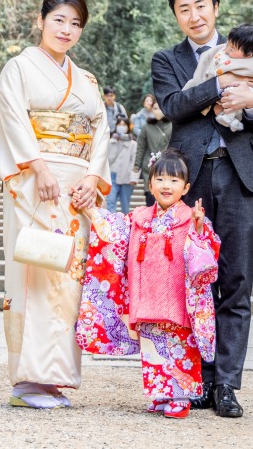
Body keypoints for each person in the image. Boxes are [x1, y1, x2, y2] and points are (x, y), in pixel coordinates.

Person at [150, 0, 253, 419]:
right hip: (190, 180)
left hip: (241, 177)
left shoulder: (247, 50)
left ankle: (226, 384)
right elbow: (174, 106)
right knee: (192, 281)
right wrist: (220, 84)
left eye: (201, 5)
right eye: (184, 9)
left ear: (216, 7)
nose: (194, 15)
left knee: (236, 281)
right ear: (177, 16)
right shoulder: (167, 60)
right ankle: (196, 379)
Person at [0, 0, 110, 410]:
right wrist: (38, 168)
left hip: (76, 192)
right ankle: (27, 381)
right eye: (58, 19)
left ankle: (55, 378)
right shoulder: (18, 69)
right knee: (35, 274)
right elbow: (12, 121)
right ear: (40, 20)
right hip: (36, 185)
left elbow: (100, 130)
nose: (66, 29)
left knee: (69, 279)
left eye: (75, 23)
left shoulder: (86, 80)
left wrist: (94, 178)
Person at [76, 150, 221, 419]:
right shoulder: (140, 218)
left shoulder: (192, 219)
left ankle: (180, 395)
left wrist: (200, 231)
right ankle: (160, 392)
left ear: (186, 188)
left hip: (178, 299)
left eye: (175, 181)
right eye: (161, 179)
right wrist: (92, 211)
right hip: (147, 296)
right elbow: (112, 229)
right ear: (150, 184)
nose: (167, 186)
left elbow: (207, 256)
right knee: (153, 345)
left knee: (178, 344)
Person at [181, 23, 253, 132]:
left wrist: (252, 100)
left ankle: (231, 118)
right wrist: (221, 80)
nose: (227, 50)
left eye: (232, 49)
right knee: (219, 105)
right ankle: (229, 118)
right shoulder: (216, 53)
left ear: (248, 54)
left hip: (245, 94)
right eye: (227, 44)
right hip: (214, 98)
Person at [134, 95, 172, 207]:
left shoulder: (172, 125)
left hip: (167, 165)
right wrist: (137, 164)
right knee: (150, 195)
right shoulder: (147, 127)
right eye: (155, 108)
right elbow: (141, 146)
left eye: (160, 108)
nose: (158, 111)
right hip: (149, 166)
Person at [107, 115, 138, 214]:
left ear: (128, 127)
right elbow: (108, 159)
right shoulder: (111, 141)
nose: (121, 126)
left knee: (125, 204)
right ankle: (111, 225)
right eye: (119, 124)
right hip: (112, 174)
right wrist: (114, 142)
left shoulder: (133, 144)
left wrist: (134, 177)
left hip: (126, 177)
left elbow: (135, 162)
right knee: (110, 201)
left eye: (124, 124)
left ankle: (125, 225)